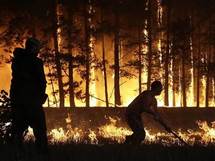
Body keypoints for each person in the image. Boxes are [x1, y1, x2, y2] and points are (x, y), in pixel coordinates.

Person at [10, 37, 48, 153]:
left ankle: (16, 154)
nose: (38, 51)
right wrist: (41, 97)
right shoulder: (36, 63)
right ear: (33, 48)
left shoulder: (17, 61)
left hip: (18, 102)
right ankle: (41, 154)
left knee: (17, 131)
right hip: (32, 103)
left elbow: (15, 83)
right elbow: (41, 82)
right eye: (37, 48)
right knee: (40, 131)